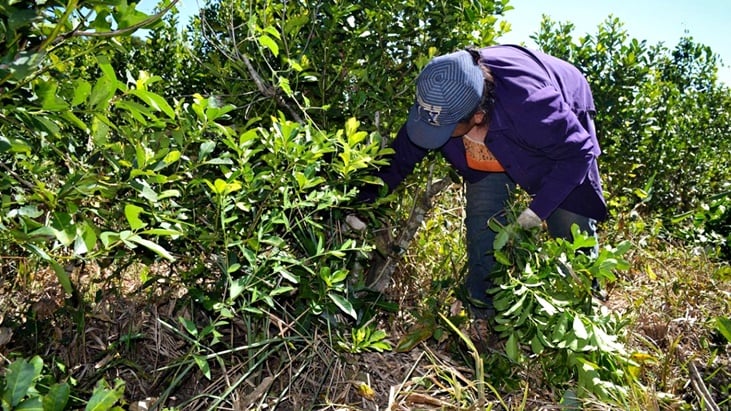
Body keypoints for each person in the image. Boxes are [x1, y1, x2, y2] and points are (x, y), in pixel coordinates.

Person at [356, 45, 607, 319]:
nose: (432, 133)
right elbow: (400, 158)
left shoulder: (533, 105)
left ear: (476, 117)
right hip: (497, 124)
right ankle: (482, 311)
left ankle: (585, 308)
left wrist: (535, 213)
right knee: (484, 219)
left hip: (560, 105)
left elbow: (578, 153)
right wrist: (361, 205)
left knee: (569, 218)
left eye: (443, 129)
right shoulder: (439, 94)